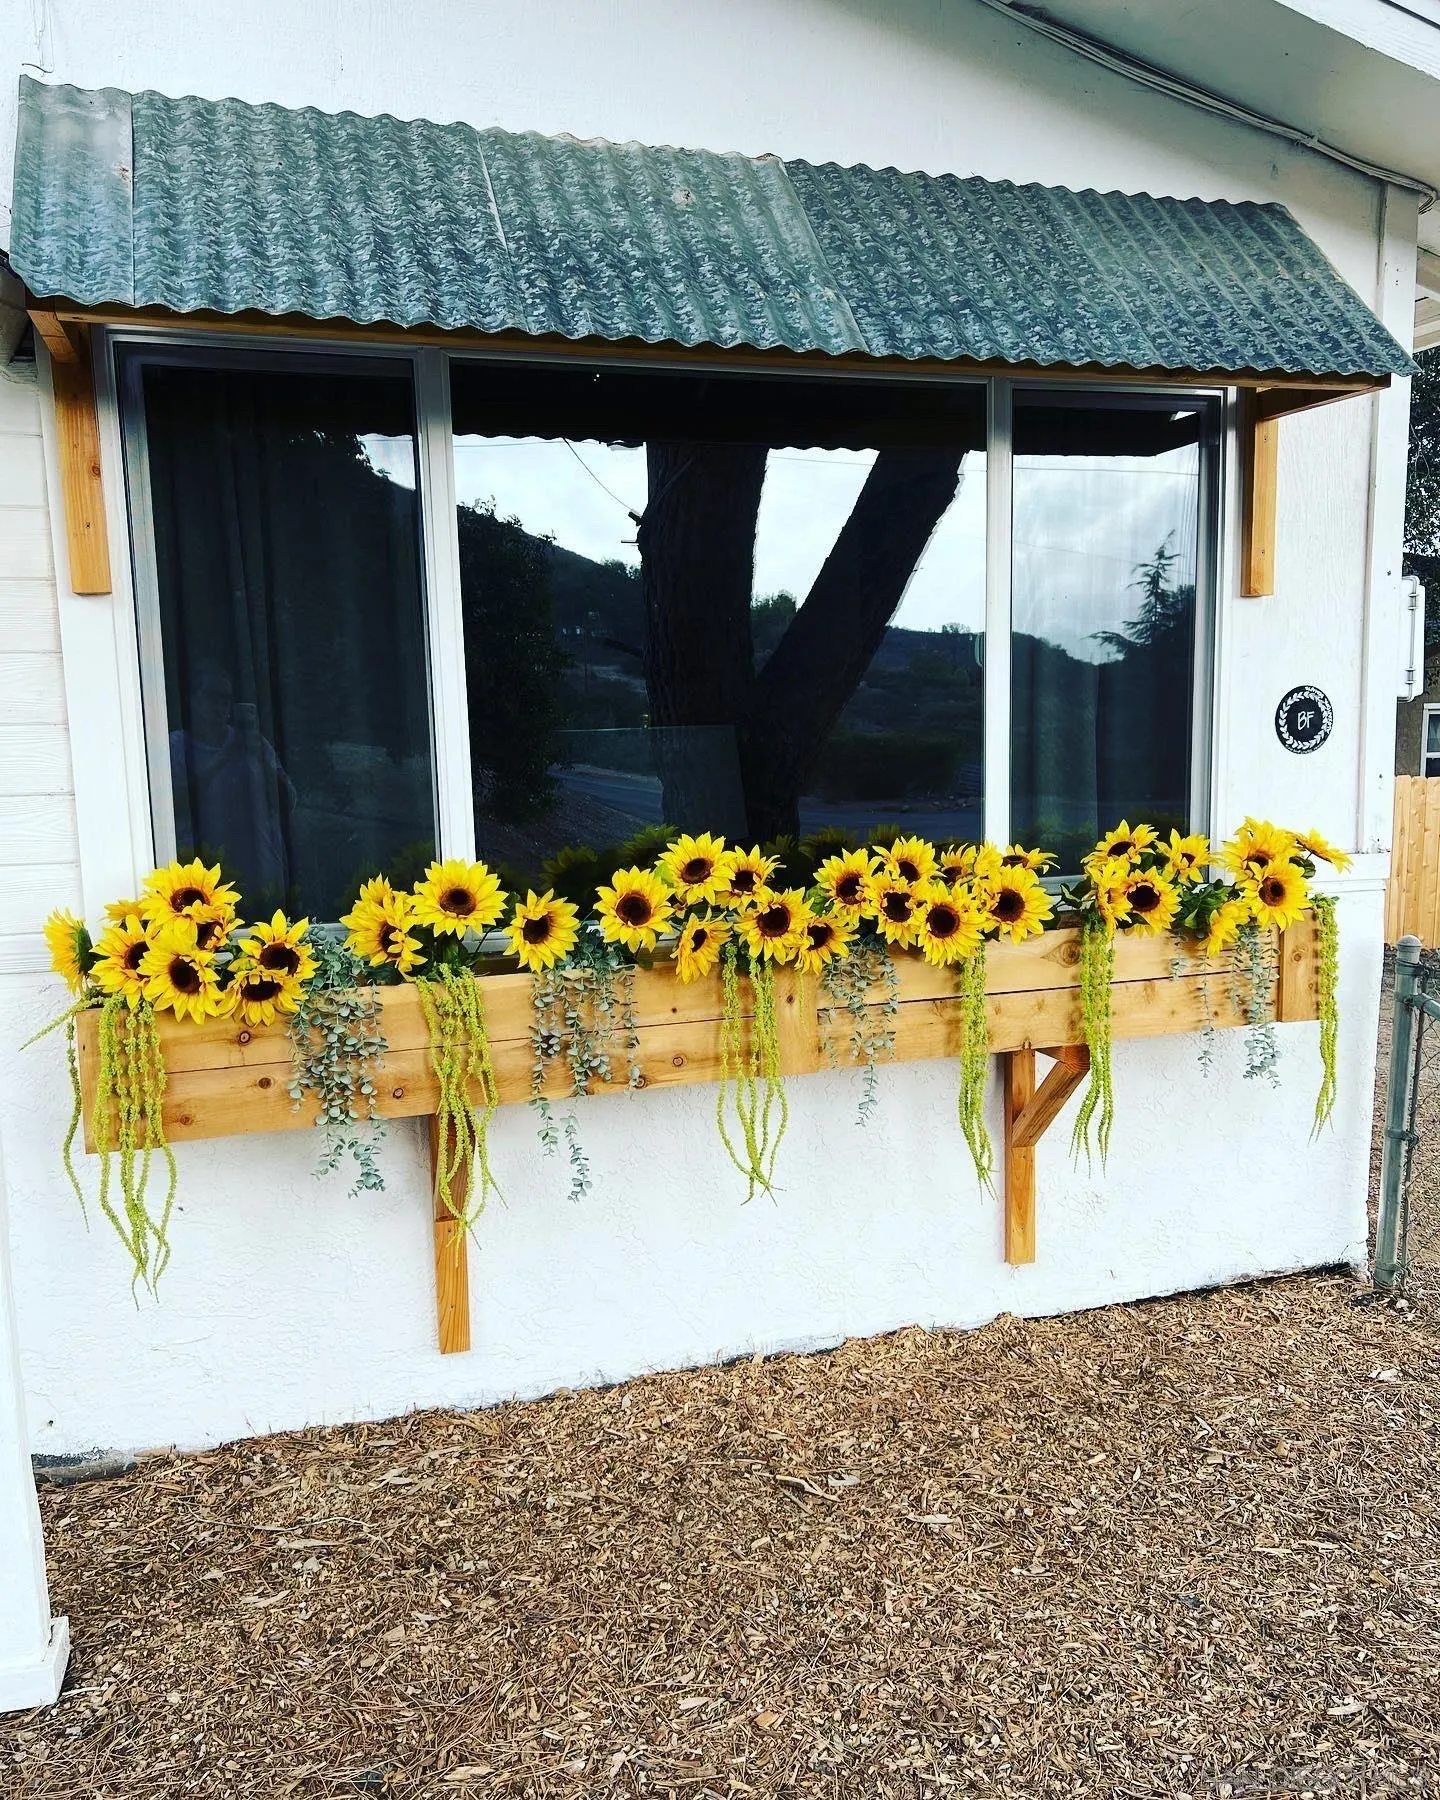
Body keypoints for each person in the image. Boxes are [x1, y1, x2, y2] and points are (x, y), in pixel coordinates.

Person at [169, 660, 296, 906]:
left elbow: (287, 803)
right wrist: (226, 756)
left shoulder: (254, 744)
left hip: (260, 869)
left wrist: (261, 759)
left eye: (225, 700)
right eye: (211, 698)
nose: (220, 708)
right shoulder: (175, 747)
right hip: (202, 875)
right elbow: (176, 805)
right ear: (192, 701)